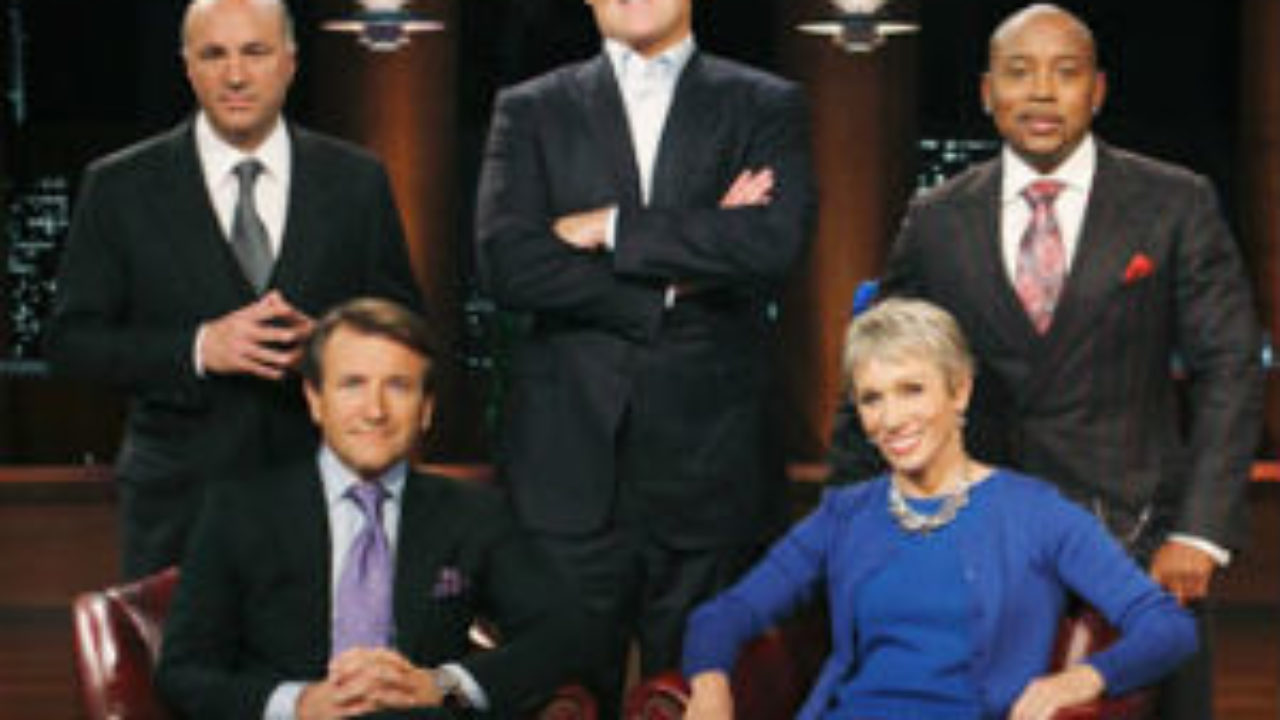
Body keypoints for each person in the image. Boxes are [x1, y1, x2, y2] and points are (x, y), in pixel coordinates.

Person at [826, 5, 1262, 716]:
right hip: (974, 545)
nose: (1040, 92)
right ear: (987, 92)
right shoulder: (937, 217)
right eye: (1018, 72)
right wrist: (846, 523)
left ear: (1097, 90)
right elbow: (877, 368)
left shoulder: (1174, 202)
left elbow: (1230, 368)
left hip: (1139, 545)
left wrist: (1200, 531)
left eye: (1065, 72)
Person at [475, 0, 816, 715]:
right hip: (566, 474)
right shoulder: (531, 108)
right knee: (557, 701)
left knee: (693, 700)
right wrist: (671, 281)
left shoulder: (763, 103)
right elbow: (509, 264)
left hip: (711, 470)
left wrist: (611, 227)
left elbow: (771, 243)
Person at [46, 0, 421, 579]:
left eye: (255, 52)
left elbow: (406, 328)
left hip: (325, 496)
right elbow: (72, 344)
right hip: (179, 509)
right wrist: (200, 348)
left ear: (289, 62)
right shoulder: (120, 186)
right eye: (214, 54)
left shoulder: (355, 181)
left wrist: (328, 347)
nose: (236, 75)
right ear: (188, 66)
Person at [683, 299, 1197, 720]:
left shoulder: (1036, 513)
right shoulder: (844, 515)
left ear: (960, 391)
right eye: (872, 399)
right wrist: (710, 689)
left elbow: (1168, 627)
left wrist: (1079, 679)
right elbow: (725, 614)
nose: (892, 419)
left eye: (912, 390)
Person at [157, 297, 586, 719]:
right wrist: (298, 705)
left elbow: (558, 636)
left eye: (398, 387)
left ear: (426, 409)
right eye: (353, 384)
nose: (375, 411)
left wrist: (443, 687)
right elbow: (183, 672)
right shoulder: (239, 511)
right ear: (315, 399)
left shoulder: (474, 514)